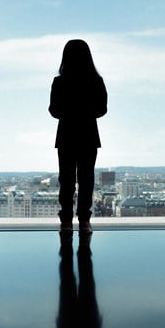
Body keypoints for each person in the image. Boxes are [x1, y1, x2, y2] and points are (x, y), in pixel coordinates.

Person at [49, 39, 108, 233]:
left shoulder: (59, 82)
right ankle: (84, 220)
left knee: (66, 179)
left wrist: (70, 110)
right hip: (88, 134)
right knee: (86, 179)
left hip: (66, 134)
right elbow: (102, 110)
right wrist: (85, 110)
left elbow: (54, 111)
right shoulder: (96, 81)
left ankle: (66, 219)